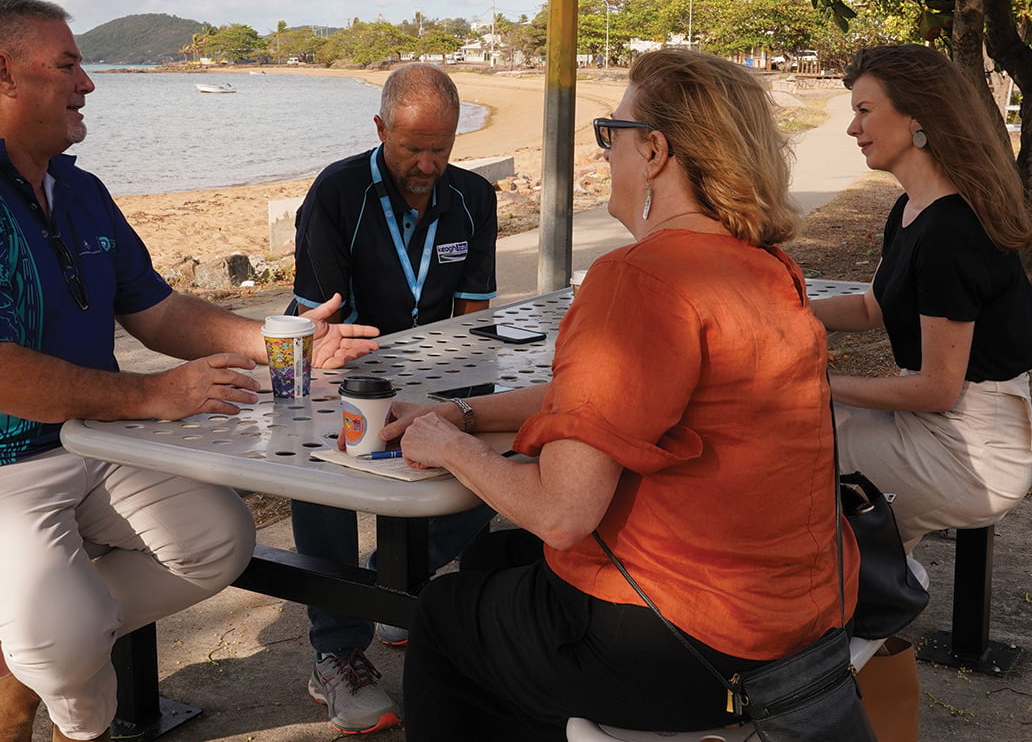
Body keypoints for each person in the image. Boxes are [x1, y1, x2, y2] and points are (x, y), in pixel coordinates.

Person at [0, 0, 378, 742]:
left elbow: (158, 311)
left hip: (82, 439)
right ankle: (52, 676)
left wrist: (277, 339)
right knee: (62, 641)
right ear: (3, 73)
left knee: (219, 539)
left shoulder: (82, 191)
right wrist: (153, 395)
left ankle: (20, 651)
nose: (88, 83)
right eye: (68, 64)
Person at [381, 49, 859, 740]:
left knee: (447, 615)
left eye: (612, 132)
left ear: (656, 151)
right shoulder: (767, 267)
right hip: (804, 616)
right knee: (494, 561)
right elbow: (603, 398)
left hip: (698, 645)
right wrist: (462, 412)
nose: (606, 152)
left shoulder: (638, 277)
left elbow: (563, 513)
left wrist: (450, 447)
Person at [288, 62, 498, 733]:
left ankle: (391, 583)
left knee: (499, 469)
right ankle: (336, 653)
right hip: (345, 370)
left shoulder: (473, 198)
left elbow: (473, 316)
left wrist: (469, 408)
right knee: (320, 473)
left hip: (437, 377)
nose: (428, 164)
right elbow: (320, 322)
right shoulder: (337, 193)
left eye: (441, 148)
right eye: (412, 148)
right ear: (380, 129)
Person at [809, 44, 1032, 552]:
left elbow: (937, 389)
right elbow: (871, 309)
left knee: (788, 446)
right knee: (794, 428)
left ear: (918, 118)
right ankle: (871, 604)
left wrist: (814, 383)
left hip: (972, 452)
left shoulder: (951, 231)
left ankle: (866, 609)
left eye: (864, 111)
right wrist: (774, 313)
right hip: (932, 426)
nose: (852, 129)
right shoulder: (912, 209)